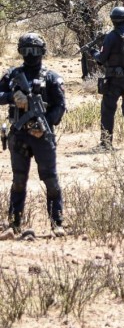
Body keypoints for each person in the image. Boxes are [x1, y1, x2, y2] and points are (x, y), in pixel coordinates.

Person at [0, 33, 67, 236]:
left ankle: (57, 223)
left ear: (42, 52)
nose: (31, 55)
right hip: (19, 134)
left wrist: (44, 125)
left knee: (51, 180)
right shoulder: (12, 75)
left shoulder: (51, 77)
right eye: (27, 51)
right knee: (19, 180)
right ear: (21, 52)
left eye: (35, 51)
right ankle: (14, 223)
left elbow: (60, 106)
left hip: (42, 136)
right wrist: (12, 96)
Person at [89, 7, 124, 150]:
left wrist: (93, 52)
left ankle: (106, 143)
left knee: (108, 110)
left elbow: (101, 59)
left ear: (112, 20)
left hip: (115, 80)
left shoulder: (112, 37)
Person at [73, 0, 102, 79]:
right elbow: (81, 19)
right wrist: (91, 22)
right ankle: (86, 75)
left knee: (90, 52)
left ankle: (90, 74)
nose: (95, 2)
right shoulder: (82, 6)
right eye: (94, 0)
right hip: (84, 33)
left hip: (91, 32)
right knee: (85, 53)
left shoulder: (90, 8)